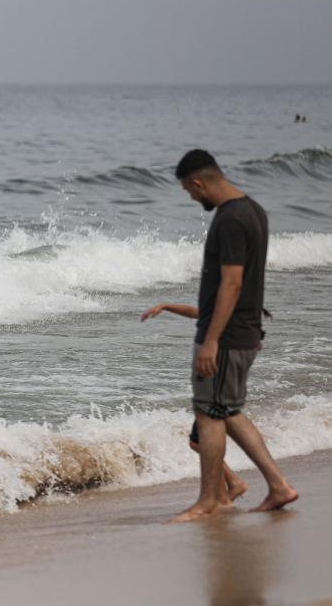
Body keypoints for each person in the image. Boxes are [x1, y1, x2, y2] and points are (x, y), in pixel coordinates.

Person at [144, 149, 297, 523]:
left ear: (199, 182)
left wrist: (211, 339)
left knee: (209, 413)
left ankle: (208, 500)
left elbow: (231, 282)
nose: (193, 198)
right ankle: (278, 486)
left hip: (226, 336)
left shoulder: (230, 219)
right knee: (228, 411)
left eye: (189, 191)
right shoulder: (254, 210)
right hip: (243, 331)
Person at [141, 303, 247, 503]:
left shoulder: (229, 314)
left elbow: (206, 317)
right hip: (224, 375)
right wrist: (165, 306)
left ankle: (229, 490)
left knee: (203, 440)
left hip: (220, 376)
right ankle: (231, 485)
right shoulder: (233, 313)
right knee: (201, 440)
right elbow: (200, 313)